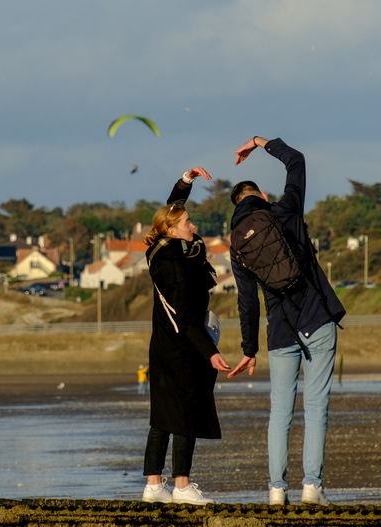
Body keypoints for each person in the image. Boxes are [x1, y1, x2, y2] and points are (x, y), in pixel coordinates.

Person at [226, 136, 346, 506]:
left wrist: (249, 350)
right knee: (316, 405)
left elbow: (247, 303)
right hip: (316, 316)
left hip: (279, 331)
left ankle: (277, 490)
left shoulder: (237, 245)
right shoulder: (286, 210)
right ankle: (312, 486)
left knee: (280, 412)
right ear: (261, 195)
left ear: (236, 207)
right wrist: (262, 143)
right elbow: (296, 161)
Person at [140, 167, 231, 506]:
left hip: (162, 345)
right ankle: (181, 486)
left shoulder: (161, 250)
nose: (194, 226)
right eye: (188, 223)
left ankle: (153, 485)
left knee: (162, 415)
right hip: (182, 348)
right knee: (185, 415)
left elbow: (171, 210)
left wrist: (185, 182)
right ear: (174, 230)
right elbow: (188, 318)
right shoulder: (176, 264)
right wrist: (210, 353)